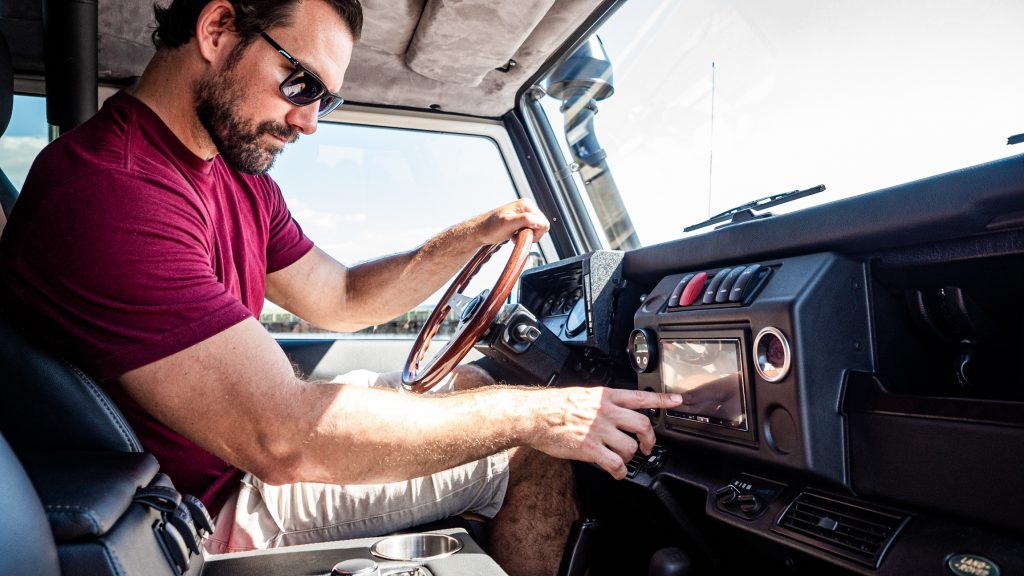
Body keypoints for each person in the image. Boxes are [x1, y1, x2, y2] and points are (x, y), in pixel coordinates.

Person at [0, 1, 682, 574]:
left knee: (487, 393)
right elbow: (287, 439)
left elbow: (345, 298)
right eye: (299, 83)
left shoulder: (236, 179)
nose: (309, 121)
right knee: (528, 438)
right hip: (207, 504)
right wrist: (540, 417)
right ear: (216, 30)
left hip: (240, 461)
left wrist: (464, 240)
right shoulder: (111, 191)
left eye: (326, 97)